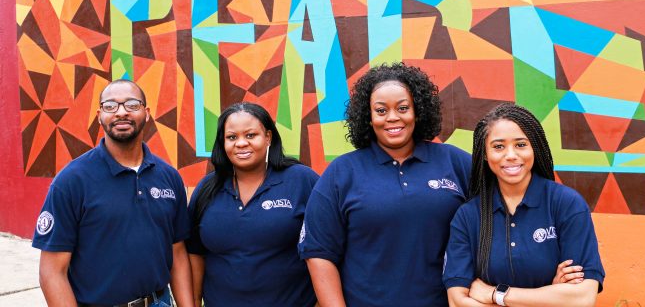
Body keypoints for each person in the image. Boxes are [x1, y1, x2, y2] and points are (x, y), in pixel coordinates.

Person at [299, 62, 472, 307]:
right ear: (368, 118)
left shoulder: (456, 162)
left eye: (403, 108)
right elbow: (319, 253)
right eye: (381, 111)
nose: (393, 118)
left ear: (418, 111)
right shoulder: (341, 173)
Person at [32, 79, 193, 307]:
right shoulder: (71, 181)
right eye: (110, 106)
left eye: (132, 105)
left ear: (146, 113)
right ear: (99, 115)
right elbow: (51, 272)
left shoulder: (169, 177)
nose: (121, 113)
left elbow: (177, 254)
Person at [443, 103, 605, 307]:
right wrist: (550, 297)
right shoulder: (468, 216)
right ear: (485, 154)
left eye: (520, 144)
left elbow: (582, 299)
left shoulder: (566, 204)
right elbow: (457, 301)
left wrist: (496, 294)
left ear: (534, 148)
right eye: (498, 146)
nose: (510, 155)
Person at [186, 102, 319, 306]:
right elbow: (195, 254)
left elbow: (327, 247)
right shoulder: (207, 188)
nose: (241, 143)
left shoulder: (301, 180)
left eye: (250, 135)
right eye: (232, 137)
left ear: (268, 137)